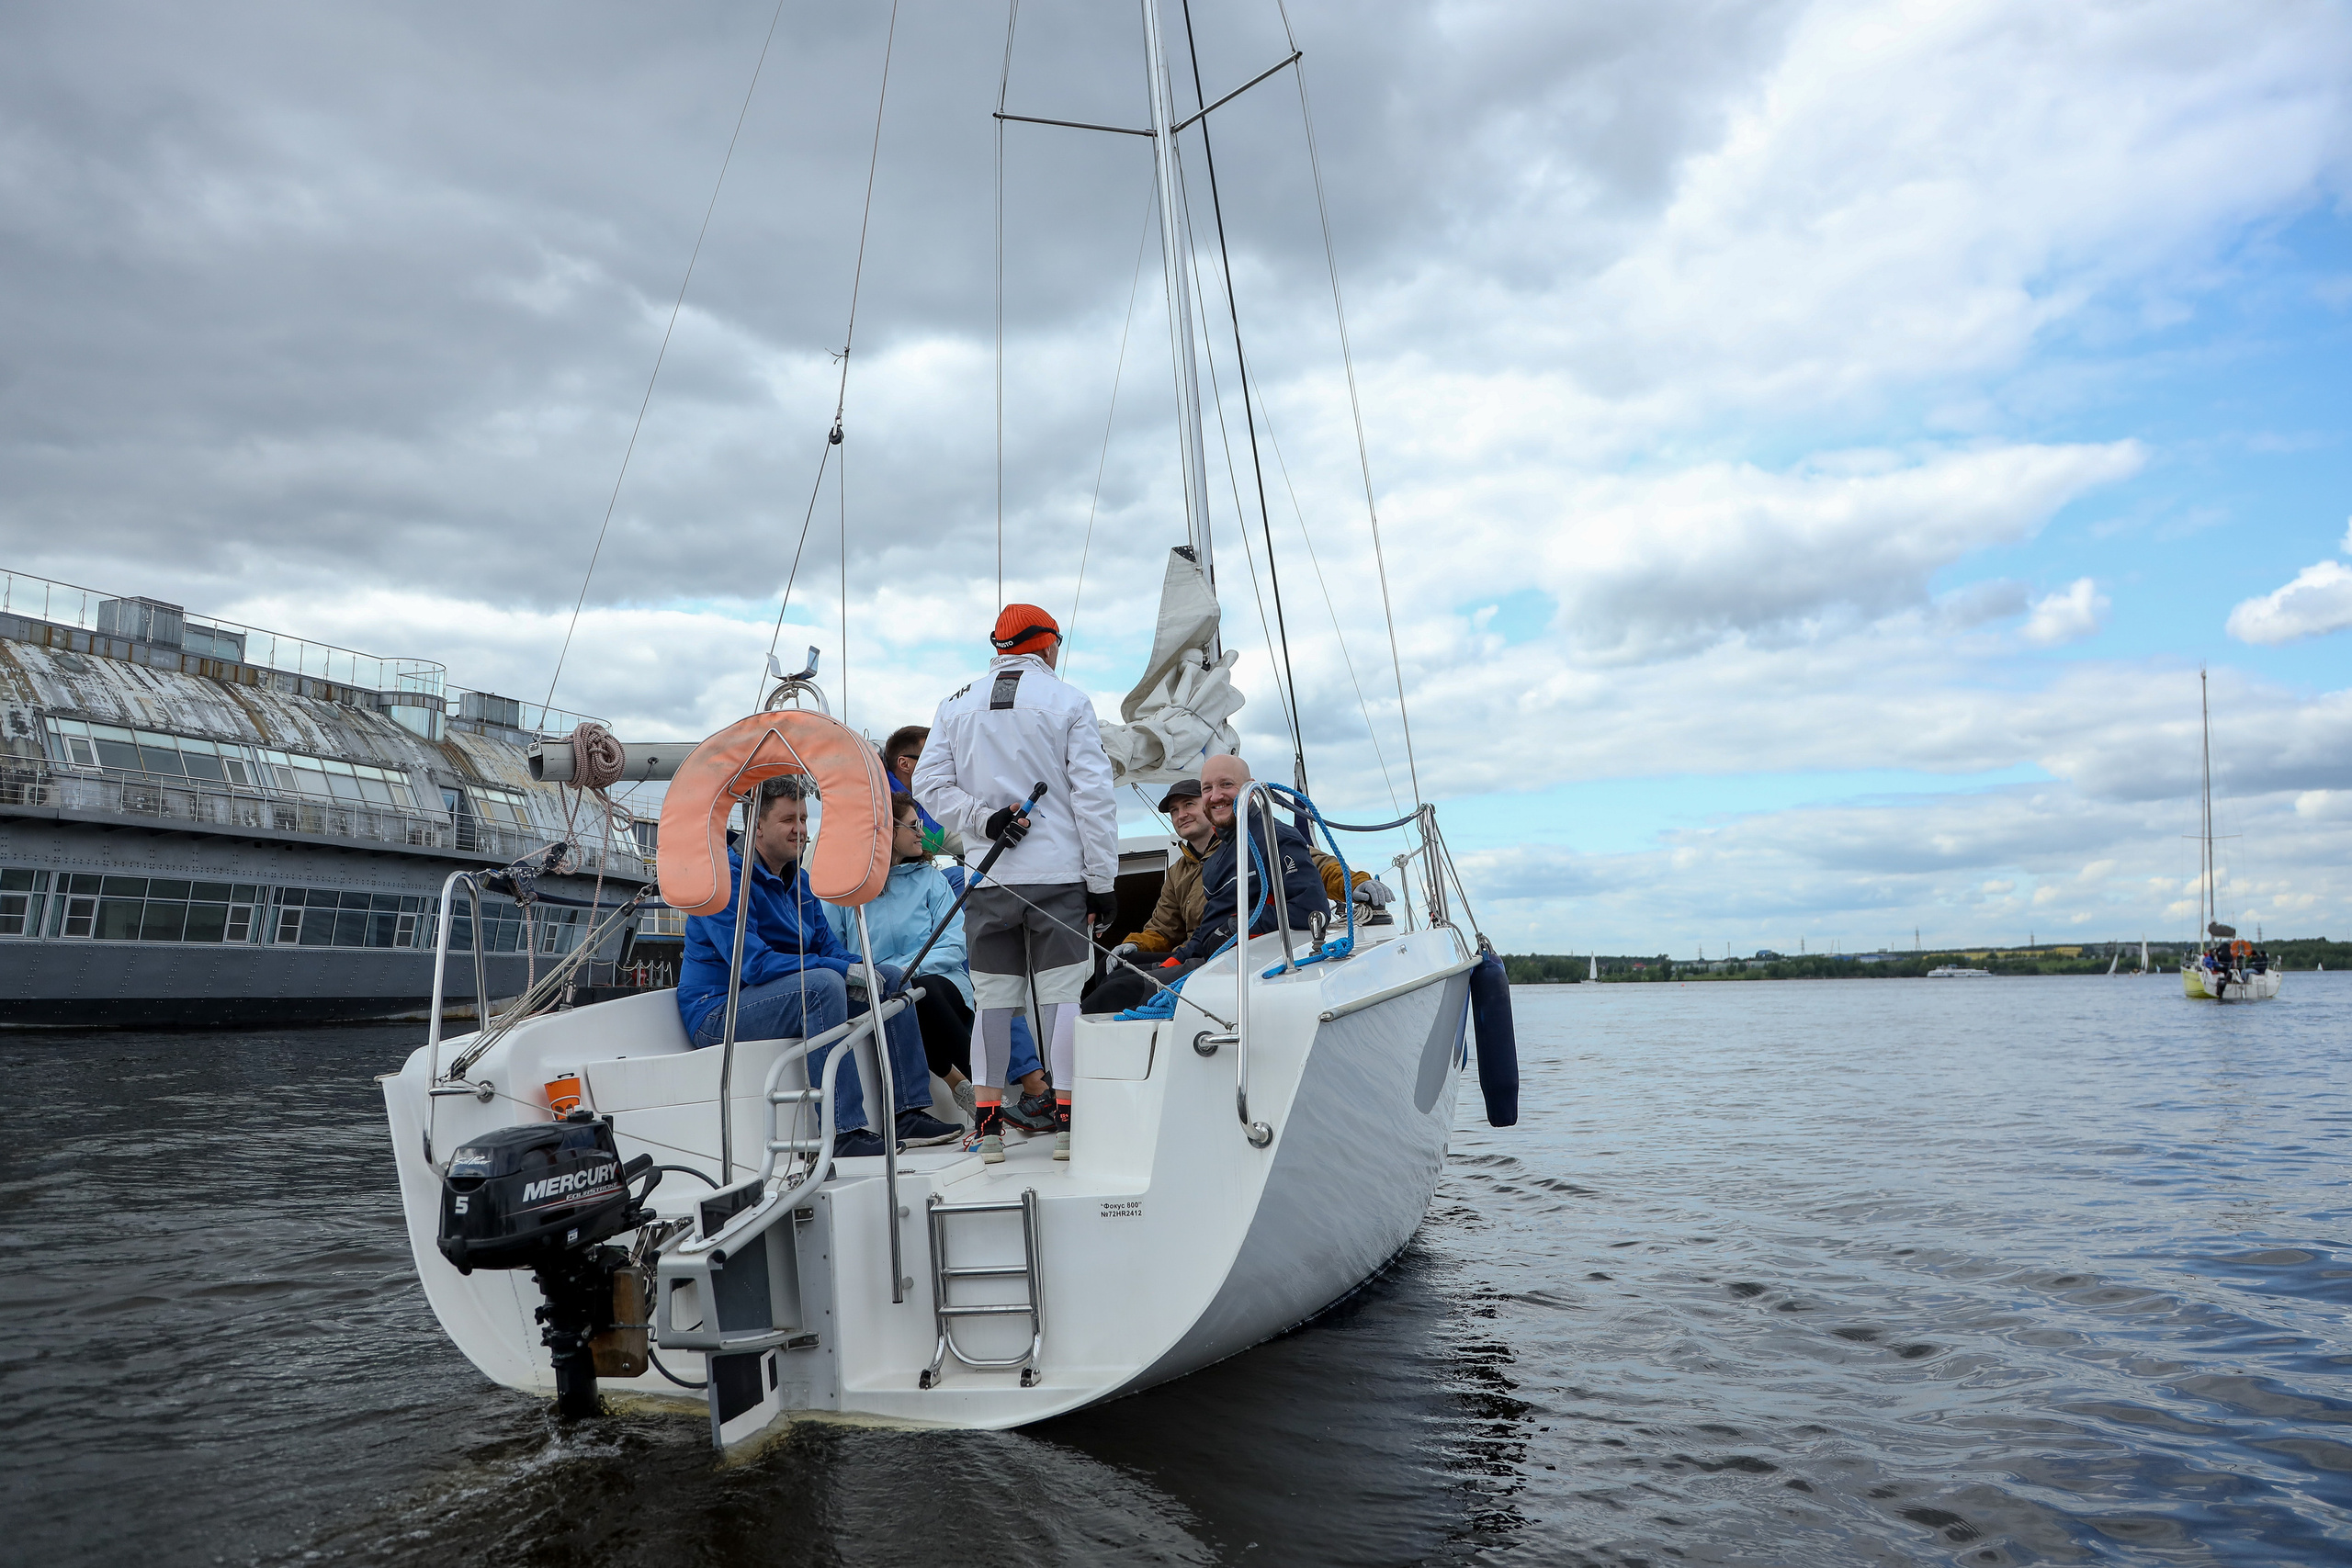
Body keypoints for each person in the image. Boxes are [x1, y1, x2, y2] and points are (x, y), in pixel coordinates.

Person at [911, 604, 1119, 1163]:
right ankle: (1069, 1128)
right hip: (1057, 877)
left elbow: (927, 783)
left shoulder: (955, 705)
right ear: (1048, 646)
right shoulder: (1069, 701)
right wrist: (1102, 880)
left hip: (989, 880)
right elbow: (1093, 797)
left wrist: (983, 820)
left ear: (1000, 647)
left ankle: (990, 1134)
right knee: (1062, 1002)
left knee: (995, 1005)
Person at [674, 775, 963, 1156]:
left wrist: (862, 968)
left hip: (777, 998)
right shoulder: (725, 881)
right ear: (756, 826)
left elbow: (827, 945)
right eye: (789, 820)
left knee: (892, 979)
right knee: (823, 984)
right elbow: (755, 966)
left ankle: (907, 1111)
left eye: (805, 820)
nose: (801, 830)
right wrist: (841, 971)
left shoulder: (800, 881)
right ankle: (843, 1131)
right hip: (719, 1012)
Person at [822, 793, 1049, 1125]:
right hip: (880, 986)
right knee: (907, 999)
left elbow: (955, 943)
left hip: (940, 980)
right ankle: (978, 1092)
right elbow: (833, 948)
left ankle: (983, 1091)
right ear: (883, 832)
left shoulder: (931, 879)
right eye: (914, 826)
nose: (922, 834)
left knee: (923, 991)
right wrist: (884, 976)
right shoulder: (846, 892)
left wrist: (903, 971)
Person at [1166, 752, 1329, 968]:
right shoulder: (1216, 859)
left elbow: (1311, 905)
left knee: (1121, 990)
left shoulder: (1275, 836)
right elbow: (1207, 929)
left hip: (1248, 966)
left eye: (1226, 784)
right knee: (1119, 978)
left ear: (1251, 790)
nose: (1215, 796)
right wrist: (1172, 962)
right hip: (1214, 963)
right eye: (1207, 789)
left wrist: (1238, 924)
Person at [879, 725, 964, 863]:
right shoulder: (880, 806)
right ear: (904, 764)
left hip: (921, 880)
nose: (945, 766)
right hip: (894, 882)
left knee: (959, 876)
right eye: (933, 759)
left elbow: (959, 838)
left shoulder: (926, 799)